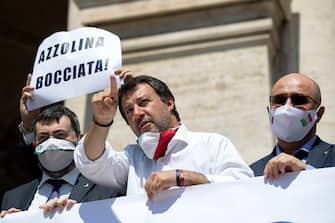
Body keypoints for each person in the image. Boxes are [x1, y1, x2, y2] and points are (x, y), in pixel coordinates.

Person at [74, 73, 254, 200]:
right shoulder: (131, 158)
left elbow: (245, 187)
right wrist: (101, 121)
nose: (137, 113)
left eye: (143, 102)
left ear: (169, 102)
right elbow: (92, 163)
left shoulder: (212, 144)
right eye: (129, 111)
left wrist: (183, 177)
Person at [0, 75, 124, 217]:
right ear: (34, 145)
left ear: (80, 139)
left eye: (60, 135)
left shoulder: (108, 190)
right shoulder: (14, 197)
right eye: (43, 137)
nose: (51, 143)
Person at [250, 73, 335, 179]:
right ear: (269, 112)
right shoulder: (252, 173)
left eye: (299, 100)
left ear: (319, 114)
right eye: (279, 101)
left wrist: (306, 172)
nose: (287, 108)